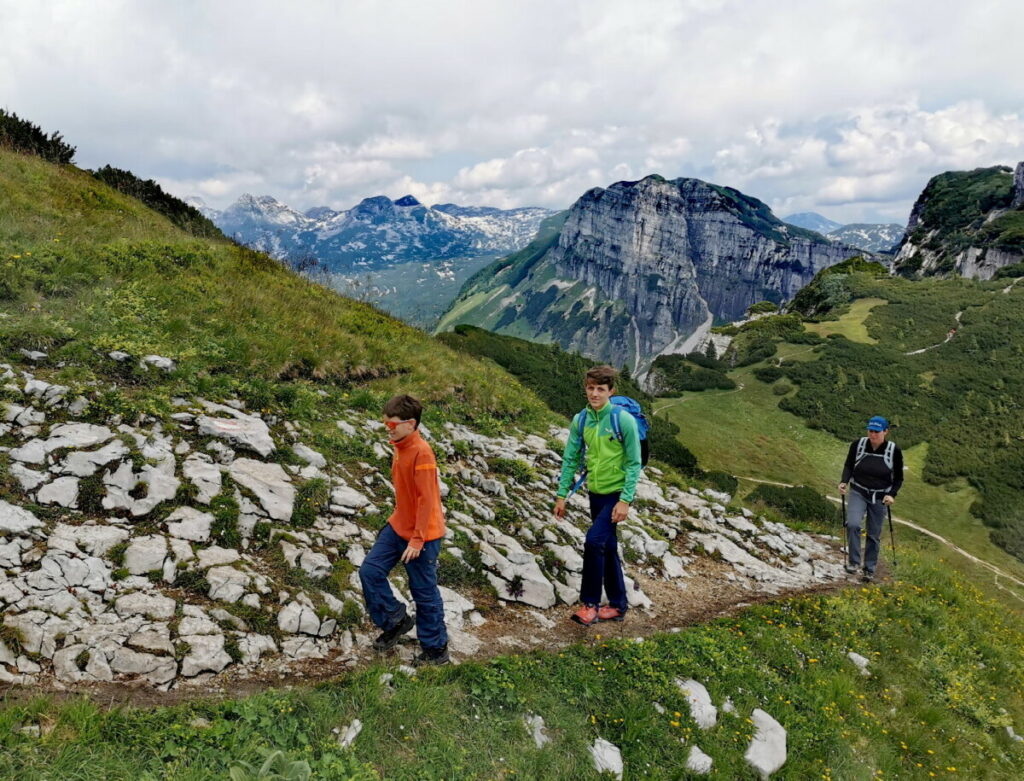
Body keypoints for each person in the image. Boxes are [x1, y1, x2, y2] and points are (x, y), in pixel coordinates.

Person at [358, 394, 449, 664]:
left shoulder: (422, 452)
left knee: (424, 592)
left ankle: (436, 650)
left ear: (410, 424)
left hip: (423, 536)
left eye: (392, 425)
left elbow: (428, 500)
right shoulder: (400, 445)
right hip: (399, 526)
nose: (388, 429)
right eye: (385, 424)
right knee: (370, 571)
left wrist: (418, 540)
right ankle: (395, 621)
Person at [553, 365, 642, 625]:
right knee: (608, 546)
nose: (594, 394)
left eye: (600, 389)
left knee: (593, 541)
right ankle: (618, 605)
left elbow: (634, 462)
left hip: (616, 493)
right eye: (590, 388)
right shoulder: (581, 419)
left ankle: (590, 604)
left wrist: (625, 500)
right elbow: (571, 458)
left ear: (610, 391)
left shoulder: (621, 419)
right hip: (595, 491)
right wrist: (562, 495)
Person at [838, 415, 903, 582]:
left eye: (876, 431)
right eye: (870, 431)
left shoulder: (893, 451)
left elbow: (898, 478)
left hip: (880, 497)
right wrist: (844, 481)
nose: (872, 434)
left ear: (886, 431)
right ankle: (853, 563)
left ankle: (869, 569)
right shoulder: (858, 445)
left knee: (873, 534)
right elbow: (849, 465)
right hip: (858, 491)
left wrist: (891, 494)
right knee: (852, 524)